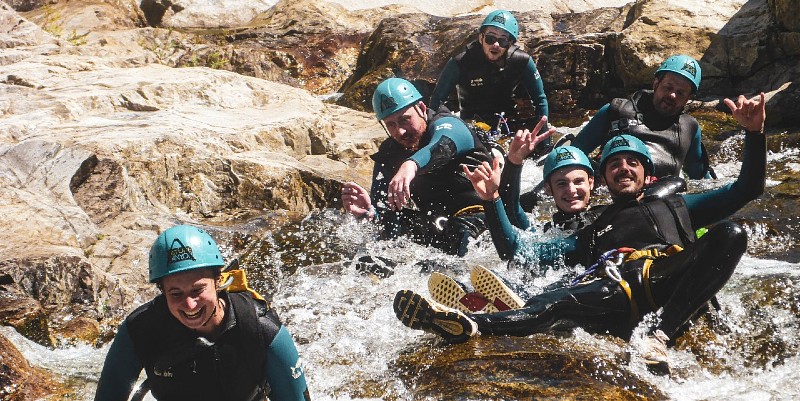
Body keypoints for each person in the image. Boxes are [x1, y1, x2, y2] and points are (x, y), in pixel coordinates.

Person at [393, 93, 767, 371]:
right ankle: (470, 323)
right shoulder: (591, 230)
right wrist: (492, 198)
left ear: (647, 173)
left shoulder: (677, 205)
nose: (623, 168)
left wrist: (754, 134)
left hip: (665, 278)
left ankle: (661, 337)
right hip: (615, 290)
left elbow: (746, 189)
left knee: (731, 233)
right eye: (614, 164)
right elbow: (516, 251)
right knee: (553, 302)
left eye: (631, 163)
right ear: (603, 177)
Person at [95, 225, 310, 401]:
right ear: (162, 291)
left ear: (218, 280)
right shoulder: (141, 329)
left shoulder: (260, 329)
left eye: (198, 290)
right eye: (175, 293)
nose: (189, 305)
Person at [341, 77, 494, 256]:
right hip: (441, 223)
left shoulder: (448, 125)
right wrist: (368, 213)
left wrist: (411, 165)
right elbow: (384, 211)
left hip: (484, 213)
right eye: (391, 124)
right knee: (386, 237)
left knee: (460, 230)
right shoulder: (389, 153)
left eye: (405, 120)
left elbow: (443, 145)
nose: (400, 131)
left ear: (421, 108)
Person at [571, 54, 712, 180]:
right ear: (656, 83)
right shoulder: (616, 110)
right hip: (610, 194)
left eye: (681, 93)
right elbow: (575, 153)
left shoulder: (689, 128)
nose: (672, 95)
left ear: (688, 98)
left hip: (658, 201)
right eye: (668, 87)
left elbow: (699, 177)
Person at [429, 10, 550, 149]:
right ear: (481, 38)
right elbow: (437, 100)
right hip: (470, 126)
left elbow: (540, 100)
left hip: (507, 125)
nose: (496, 45)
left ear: (510, 43)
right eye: (490, 39)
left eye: (503, 40)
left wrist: (544, 141)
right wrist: (432, 134)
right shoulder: (461, 61)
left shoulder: (522, 61)